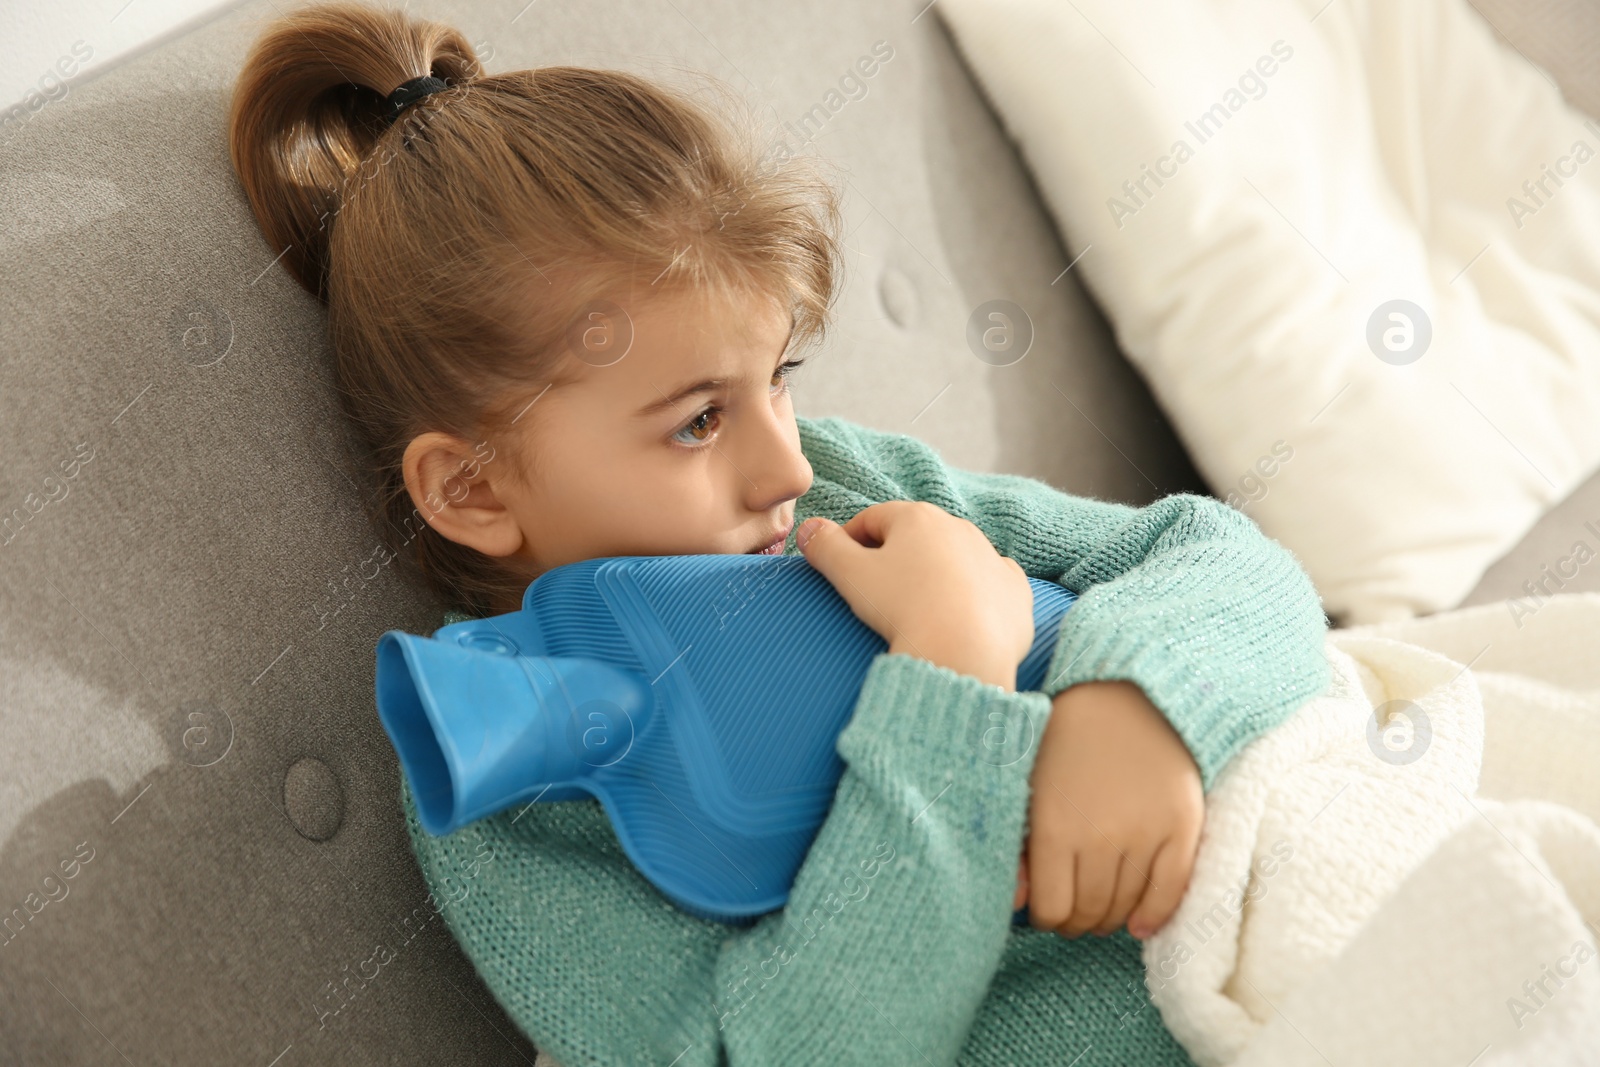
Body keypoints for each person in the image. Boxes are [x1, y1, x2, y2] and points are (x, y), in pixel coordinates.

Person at [227, 4, 1331, 1064]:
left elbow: (1217, 554)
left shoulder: (848, 490)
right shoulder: (521, 799)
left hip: (1307, 858)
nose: (786, 465)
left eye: (779, 379)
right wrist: (952, 677)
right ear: (471, 486)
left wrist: (1139, 704)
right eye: (698, 419)